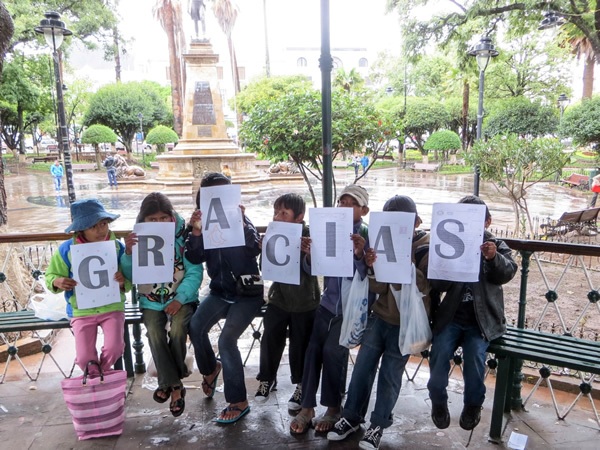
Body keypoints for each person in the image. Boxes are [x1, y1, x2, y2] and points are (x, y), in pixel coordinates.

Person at [327, 195, 430, 450]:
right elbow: (377, 287)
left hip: (405, 324)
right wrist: (372, 267)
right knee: (362, 367)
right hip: (380, 316)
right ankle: (351, 417)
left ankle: (377, 425)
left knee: (390, 376)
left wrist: (407, 266)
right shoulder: (384, 241)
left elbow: (427, 288)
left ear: (416, 222)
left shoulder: (426, 248)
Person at [427, 195, 518, 431]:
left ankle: (473, 405)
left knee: (475, 359)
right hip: (451, 317)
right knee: (438, 355)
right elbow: (438, 285)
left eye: (477, 220)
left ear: (487, 222)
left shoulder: (495, 245)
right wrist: (442, 265)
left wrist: (492, 257)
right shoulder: (450, 241)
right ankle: (438, 401)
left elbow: (507, 272)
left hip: (482, 321)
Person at [290, 184, 370, 435]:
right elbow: (310, 268)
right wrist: (310, 255)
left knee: (333, 351)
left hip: (350, 308)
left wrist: (359, 253)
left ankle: (334, 407)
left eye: (351, 203)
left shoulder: (368, 234)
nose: (344, 207)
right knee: (312, 350)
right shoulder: (328, 229)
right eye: (341, 202)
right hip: (327, 303)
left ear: (363, 210)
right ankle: (307, 407)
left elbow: (371, 276)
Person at [187, 172, 263, 424]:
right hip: (220, 291)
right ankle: (211, 370)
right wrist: (196, 233)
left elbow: (254, 248)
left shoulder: (243, 219)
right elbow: (194, 257)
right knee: (196, 326)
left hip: (248, 293)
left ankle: (238, 400)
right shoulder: (201, 224)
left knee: (226, 339)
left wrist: (241, 222)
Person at [121, 192, 203, 417]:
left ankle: (168, 382)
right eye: (152, 219)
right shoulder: (138, 240)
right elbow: (130, 275)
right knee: (155, 332)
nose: (158, 223)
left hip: (182, 299)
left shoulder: (184, 239)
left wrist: (180, 299)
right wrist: (128, 253)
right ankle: (176, 387)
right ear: (144, 220)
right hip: (151, 301)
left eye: (163, 218)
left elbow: (195, 271)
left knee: (178, 330)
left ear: (171, 217)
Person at [44, 199, 131, 375]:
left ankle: (99, 374)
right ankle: (95, 377)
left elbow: (129, 278)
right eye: (93, 226)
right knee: (84, 358)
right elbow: (50, 275)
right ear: (81, 229)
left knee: (115, 348)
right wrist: (57, 281)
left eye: (104, 224)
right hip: (81, 310)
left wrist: (123, 282)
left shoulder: (117, 248)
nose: (101, 230)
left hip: (112, 307)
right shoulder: (67, 249)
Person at [254, 193, 320, 411]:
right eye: (276, 212)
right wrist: (266, 248)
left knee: (300, 344)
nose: (278, 216)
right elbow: (267, 268)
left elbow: (316, 269)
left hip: (305, 300)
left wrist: (309, 254)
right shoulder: (274, 232)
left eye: (284, 213)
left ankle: (300, 385)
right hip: (279, 297)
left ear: (299, 217)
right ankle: (266, 379)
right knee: (270, 336)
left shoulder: (310, 236)